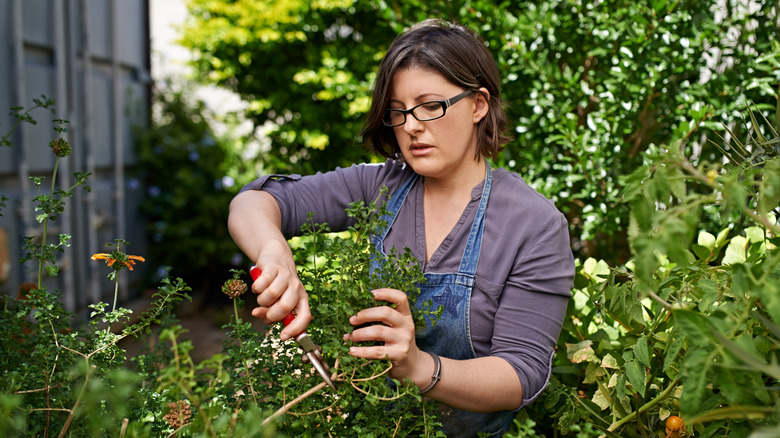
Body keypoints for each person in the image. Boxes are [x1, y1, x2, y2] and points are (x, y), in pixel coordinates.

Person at [228, 19, 574, 437]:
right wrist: (274, 253)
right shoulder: (380, 186)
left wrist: (417, 366)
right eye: (398, 111)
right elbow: (253, 201)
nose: (411, 125)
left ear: (479, 104)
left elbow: (522, 375)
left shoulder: (533, 225)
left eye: (430, 106)